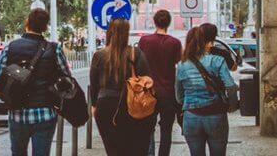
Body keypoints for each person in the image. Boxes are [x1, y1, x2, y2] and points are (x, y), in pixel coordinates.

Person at [0, 8, 73, 156]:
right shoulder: (54, 49)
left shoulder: (10, 47)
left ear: (27, 23)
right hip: (45, 113)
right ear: (45, 27)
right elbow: (67, 81)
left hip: (17, 113)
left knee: (18, 153)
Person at [88, 18, 154, 156]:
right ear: (126, 33)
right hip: (131, 106)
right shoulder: (136, 53)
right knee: (134, 149)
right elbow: (147, 80)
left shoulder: (99, 55)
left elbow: (94, 85)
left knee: (113, 150)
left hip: (105, 107)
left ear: (109, 32)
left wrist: (94, 106)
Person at [176, 27, 237, 155]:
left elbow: (179, 96)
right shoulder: (217, 61)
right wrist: (232, 105)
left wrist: (188, 102)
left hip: (191, 117)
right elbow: (231, 86)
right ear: (205, 42)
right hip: (215, 115)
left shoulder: (182, 65)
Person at [138, 10, 182, 156]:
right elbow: (179, 64)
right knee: (166, 130)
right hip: (168, 93)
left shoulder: (145, 41)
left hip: (148, 92)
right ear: (168, 23)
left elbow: (138, 64)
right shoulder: (175, 43)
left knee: (147, 128)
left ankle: (149, 153)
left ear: (155, 22)